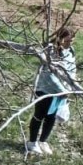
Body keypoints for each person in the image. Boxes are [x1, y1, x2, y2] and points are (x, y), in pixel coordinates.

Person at [28, 26, 77, 156]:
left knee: (51, 117)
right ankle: (32, 142)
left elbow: (72, 69)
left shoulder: (70, 51)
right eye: (67, 41)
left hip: (61, 92)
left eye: (71, 41)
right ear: (59, 39)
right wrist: (62, 90)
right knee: (39, 115)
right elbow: (48, 74)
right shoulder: (50, 51)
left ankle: (43, 141)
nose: (69, 44)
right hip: (45, 90)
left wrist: (71, 87)